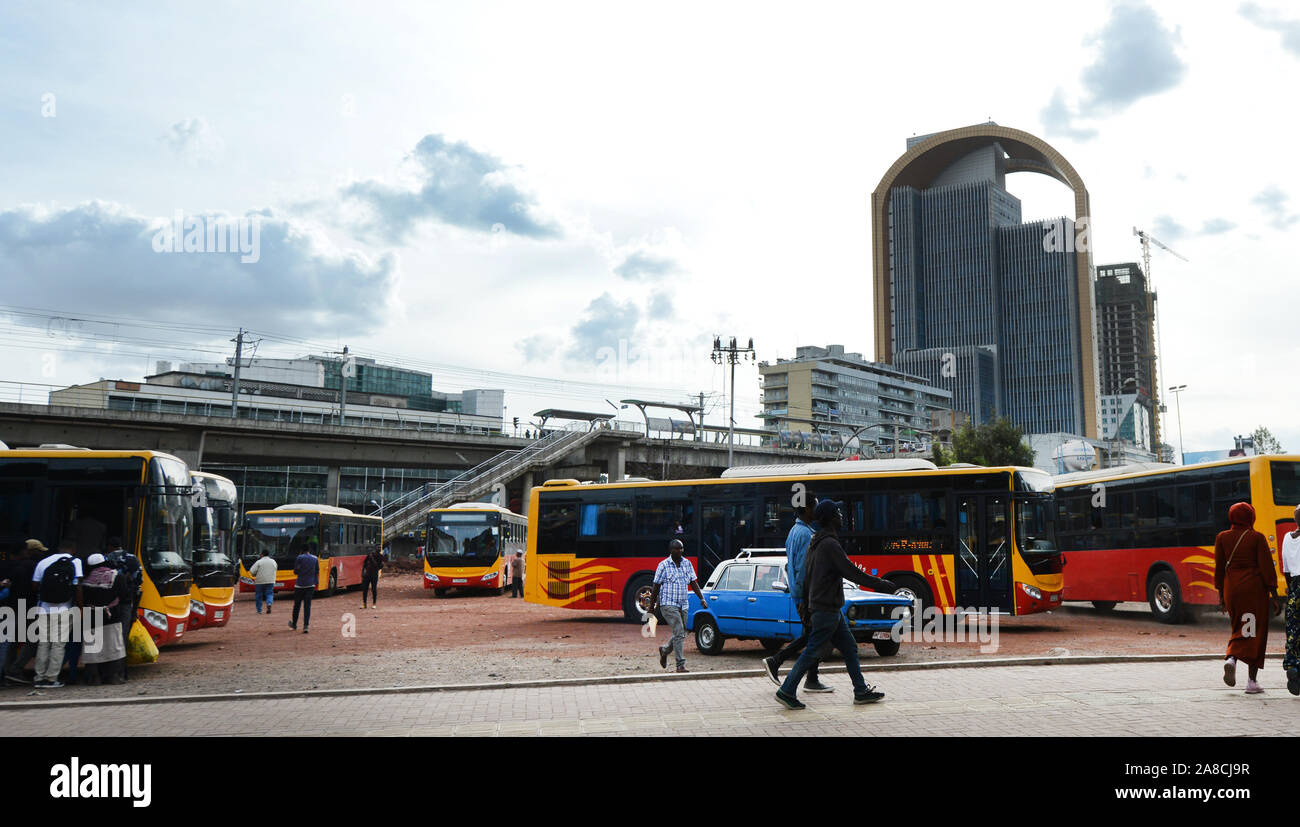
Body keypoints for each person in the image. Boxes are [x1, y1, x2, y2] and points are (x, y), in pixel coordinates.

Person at [775, 500, 897, 710]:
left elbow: (807, 577)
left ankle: (860, 691)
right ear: (831, 518)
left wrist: (806, 603)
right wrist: (880, 584)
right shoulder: (829, 544)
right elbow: (851, 571)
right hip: (826, 608)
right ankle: (786, 690)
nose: (841, 517)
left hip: (826, 607)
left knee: (849, 647)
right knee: (812, 650)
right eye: (838, 513)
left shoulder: (816, 542)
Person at [762, 499, 832, 692]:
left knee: (811, 635)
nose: (817, 510)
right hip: (806, 595)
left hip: (802, 594)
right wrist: (807, 596)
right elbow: (802, 569)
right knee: (813, 635)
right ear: (808, 508)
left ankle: (811, 677)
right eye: (815, 506)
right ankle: (777, 661)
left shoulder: (796, 531)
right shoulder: (805, 535)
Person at [1215, 501, 1281, 694]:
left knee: (1240, 627)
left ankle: (1232, 660)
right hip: (1253, 590)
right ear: (1250, 517)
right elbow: (1267, 568)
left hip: (1231, 590)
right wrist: (1274, 594)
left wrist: (1221, 596)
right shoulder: (1256, 538)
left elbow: (1219, 568)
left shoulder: (1222, 537)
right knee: (1255, 632)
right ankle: (1250, 680)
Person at [649, 539, 709, 673]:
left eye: (681, 548)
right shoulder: (663, 565)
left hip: (683, 603)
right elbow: (656, 586)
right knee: (679, 631)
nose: (680, 551)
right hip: (668, 604)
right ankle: (680, 665)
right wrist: (651, 606)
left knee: (683, 632)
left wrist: (702, 599)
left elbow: (693, 582)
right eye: (677, 548)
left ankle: (664, 650)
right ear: (671, 550)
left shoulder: (687, 564)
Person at [31, 539, 84, 689]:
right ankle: (51, 678)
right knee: (58, 645)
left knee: (43, 644)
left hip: (43, 609)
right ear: (73, 549)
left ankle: (38, 677)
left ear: (59, 548)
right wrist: (80, 608)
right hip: (64, 609)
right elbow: (77, 586)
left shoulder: (43, 562)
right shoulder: (75, 561)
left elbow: (35, 586)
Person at [78, 553, 130, 685]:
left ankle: (95, 678)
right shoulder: (116, 576)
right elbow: (124, 596)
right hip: (111, 615)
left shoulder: (85, 579)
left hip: (91, 616)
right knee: (113, 647)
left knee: (92, 648)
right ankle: (112, 676)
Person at [3, 540, 46, 685]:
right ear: (28, 551)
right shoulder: (33, 567)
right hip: (29, 607)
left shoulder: (9, 566)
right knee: (34, 639)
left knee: (13, 640)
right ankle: (15, 669)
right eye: (38, 551)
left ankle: (7, 670)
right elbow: (36, 587)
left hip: (12, 607)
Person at [104, 538, 141, 682]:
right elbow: (139, 582)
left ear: (109, 546)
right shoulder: (132, 559)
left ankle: (105, 671)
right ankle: (120, 672)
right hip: (126, 603)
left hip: (107, 604)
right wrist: (134, 609)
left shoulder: (105, 558)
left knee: (107, 635)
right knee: (122, 636)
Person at [1279, 504, 1300, 695]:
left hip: (1294, 587)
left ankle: (1293, 666)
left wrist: (1292, 591)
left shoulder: (1287, 538)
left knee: (1294, 630)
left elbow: (1285, 569)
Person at [290, 541, 319, 633]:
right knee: (307, 606)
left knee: (297, 606)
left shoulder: (299, 558)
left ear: (301, 550)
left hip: (300, 585)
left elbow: (295, 571)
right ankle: (306, 626)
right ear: (309, 550)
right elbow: (317, 571)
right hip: (310, 585)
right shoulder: (315, 558)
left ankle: (294, 624)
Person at [248, 550, 278, 614]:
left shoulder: (259, 562)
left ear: (262, 555)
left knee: (259, 595)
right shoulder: (273, 561)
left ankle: (259, 610)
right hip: (270, 580)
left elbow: (252, 571)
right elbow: (275, 569)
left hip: (260, 581)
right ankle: (269, 603)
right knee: (269, 593)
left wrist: (254, 575)